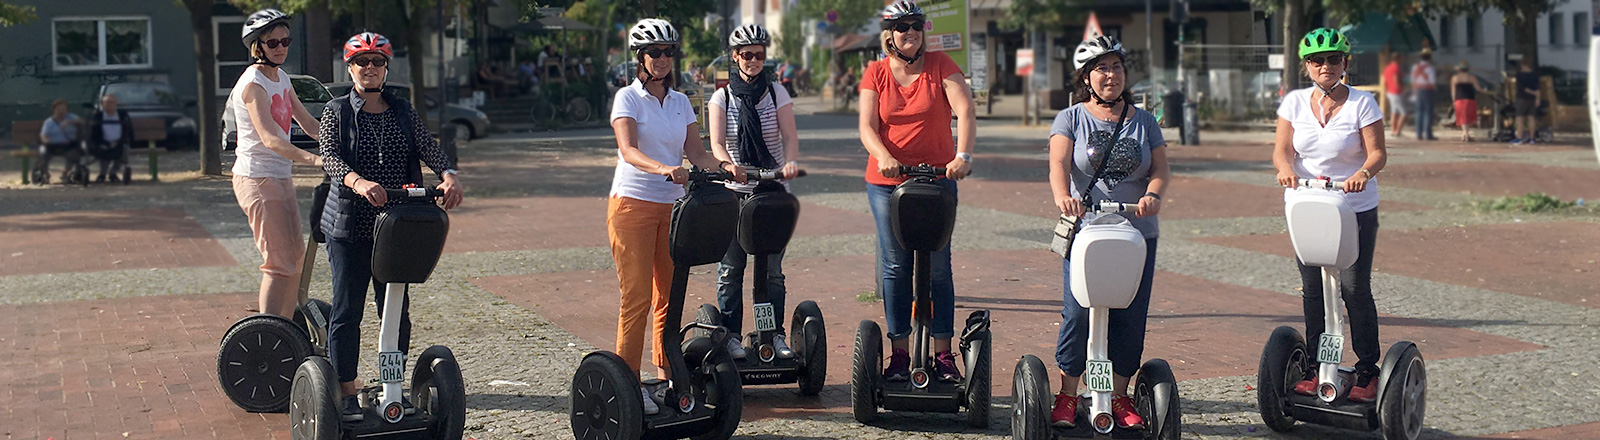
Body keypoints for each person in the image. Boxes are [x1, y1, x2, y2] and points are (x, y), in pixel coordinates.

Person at [318, 31, 464, 421]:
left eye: (377, 62)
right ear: (350, 68)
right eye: (361, 62)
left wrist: (448, 174)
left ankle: (390, 386)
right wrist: (359, 182)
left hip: (397, 227)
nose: (369, 68)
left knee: (395, 311)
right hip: (349, 226)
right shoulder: (337, 111)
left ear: (386, 68)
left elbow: (428, 146)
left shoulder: (402, 110)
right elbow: (329, 156)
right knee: (348, 310)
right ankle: (347, 390)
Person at [608, 18, 741, 416]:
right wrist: (663, 168)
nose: (662, 59)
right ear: (640, 58)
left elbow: (696, 153)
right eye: (654, 52)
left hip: (675, 208)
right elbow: (628, 150)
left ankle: (668, 375)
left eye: (668, 52)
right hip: (632, 204)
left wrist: (725, 166)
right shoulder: (626, 99)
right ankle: (628, 384)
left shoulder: (681, 101)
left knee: (669, 296)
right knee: (636, 298)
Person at [1045, 35, 1170, 430]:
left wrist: (1152, 195)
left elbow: (1161, 170)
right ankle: (1068, 392)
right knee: (1078, 312)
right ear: (1087, 76)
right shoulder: (1070, 118)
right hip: (1086, 233)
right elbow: (1058, 165)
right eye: (1101, 68)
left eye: (1116, 67)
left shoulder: (1144, 120)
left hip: (1136, 232)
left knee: (1130, 315)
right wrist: (1063, 197)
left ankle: (1118, 394)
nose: (1110, 75)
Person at [857, 0, 976, 384]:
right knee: (896, 266)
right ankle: (899, 353)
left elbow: (965, 110)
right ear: (889, 33)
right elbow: (867, 127)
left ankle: (943, 354)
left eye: (915, 26)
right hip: (888, 182)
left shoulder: (941, 65)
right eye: (901, 26)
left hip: (939, 179)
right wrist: (884, 156)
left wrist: (963, 155)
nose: (909, 32)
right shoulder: (875, 72)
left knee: (939, 265)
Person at [1272, 28, 1388, 404]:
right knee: (1314, 288)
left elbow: (1377, 154)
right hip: (1307, 204)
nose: (1326, 66)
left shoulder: (1363, 103)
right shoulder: (1293, 103)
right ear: (1307, 66)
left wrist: (1362, 174)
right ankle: (1315, 366)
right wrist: (1284, 170)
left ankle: (1367, 367)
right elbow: (1281, 151)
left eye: (1333, 59)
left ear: (1345, 63)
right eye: (1317, 60)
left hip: (1353, 206)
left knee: (1354, 288)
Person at [707, 23, 801, 361]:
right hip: (734, 194)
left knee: (771, 271)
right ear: (735, 57)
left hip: (772, 192)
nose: (753, 60)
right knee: (731, 269)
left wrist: (790, 162)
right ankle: (731, 334)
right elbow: (716, 143)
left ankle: (772, 333)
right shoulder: (722, 97)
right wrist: (728, 164)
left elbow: (789, 136)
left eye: (758, 54)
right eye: (746, 54)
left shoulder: (777, 93)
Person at [228, 9, 323, 320]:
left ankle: (286, 329)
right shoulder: (253, 84)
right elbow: (270, 139)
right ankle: (268, 334)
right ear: (258, 47)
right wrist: (313, 159)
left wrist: (341, 146)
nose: (281, 47)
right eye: (273, 43)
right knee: (278, 263)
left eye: (286, 41)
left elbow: (308, 122)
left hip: (279, 176)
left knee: (295, 258)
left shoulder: (281, 77)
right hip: (256, 179)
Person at [87, 93, 133, 184]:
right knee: (103, 151)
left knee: (123, 151)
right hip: (102, 142)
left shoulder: (123, 115)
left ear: (116, 103)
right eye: (107, 102)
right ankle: (102, 174)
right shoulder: (98, 116)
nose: (110, 104)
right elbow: (93, 133)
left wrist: (120, 141)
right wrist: (103, 142)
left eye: (112, 102)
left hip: (120, 142)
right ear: (103, 104)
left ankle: (113, 173)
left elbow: (128, 131)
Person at [36, 98, 84, 184]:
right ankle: (46, 174)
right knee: (43, 155)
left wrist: (69, 122)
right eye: (59, 109)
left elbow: (82, 121)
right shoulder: (49, 122)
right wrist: (46, 141)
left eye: (63, 109)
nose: (61, 111)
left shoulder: (71, 117)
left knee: (74, 155)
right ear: (54, 110)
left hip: (67, 145)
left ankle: (65, 173)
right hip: (52, 145)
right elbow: (43, 135)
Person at [1450, 61, 1489, 142]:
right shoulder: (1471, 77)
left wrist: (1454, 100)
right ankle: (1466, 134)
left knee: (1462, 117)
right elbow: (1478, 88)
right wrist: (1485, 91)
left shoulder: (1455, 78)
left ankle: (1464, 134)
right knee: (1468, 117)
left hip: (1459, 99)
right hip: (1469, 99)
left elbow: (1453, 91)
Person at [1512, 57, 1542, 145]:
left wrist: (1532, 92)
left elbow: (1522, 88)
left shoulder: (1520, 75)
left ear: (1525, 65)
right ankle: (1532, 138)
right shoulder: (1535, 75)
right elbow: (1538, 88)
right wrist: (1537, 98)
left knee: (1519, 118)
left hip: (1522, 98)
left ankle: (1519, 137)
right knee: (1531, 118)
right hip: (1532, 99)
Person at [1409, 48, 1437, 140]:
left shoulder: (1415, 67)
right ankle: (1428, 134)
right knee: (1428, 112)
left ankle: (1419, 133)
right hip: (1427, 90)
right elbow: (1432, 82)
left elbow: (1412, 81)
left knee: (1419, 112)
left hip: (1417, 90)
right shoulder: (1430, 68)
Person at [1382, 53, 1408, 137]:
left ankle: (1394, 130)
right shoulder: (1396, 68)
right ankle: (1398, 131)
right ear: (1398, 58)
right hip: (1396, 92)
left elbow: (1384, 81)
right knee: (1404, 113)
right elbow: (1396, 80)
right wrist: (1401, 89)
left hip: (1390, 92)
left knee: (1394, 112)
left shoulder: (1387, 68)